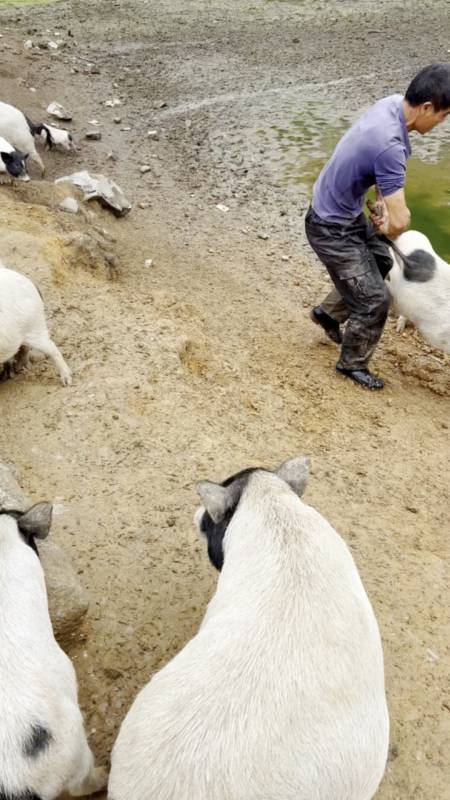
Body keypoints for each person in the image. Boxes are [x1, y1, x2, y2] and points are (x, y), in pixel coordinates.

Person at [305, 63, 450, 390]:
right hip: (330, 227)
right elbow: (399, 225)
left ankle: (327, 313)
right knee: (374, 300)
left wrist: (385, 209)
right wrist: (393, 217)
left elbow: (384, 192)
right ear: (427, 107)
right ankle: (351, 364)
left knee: (382, 260)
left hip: (339, 207)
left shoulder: (391, 104)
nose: (443, 123)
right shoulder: (390, 147)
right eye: (443, 116)